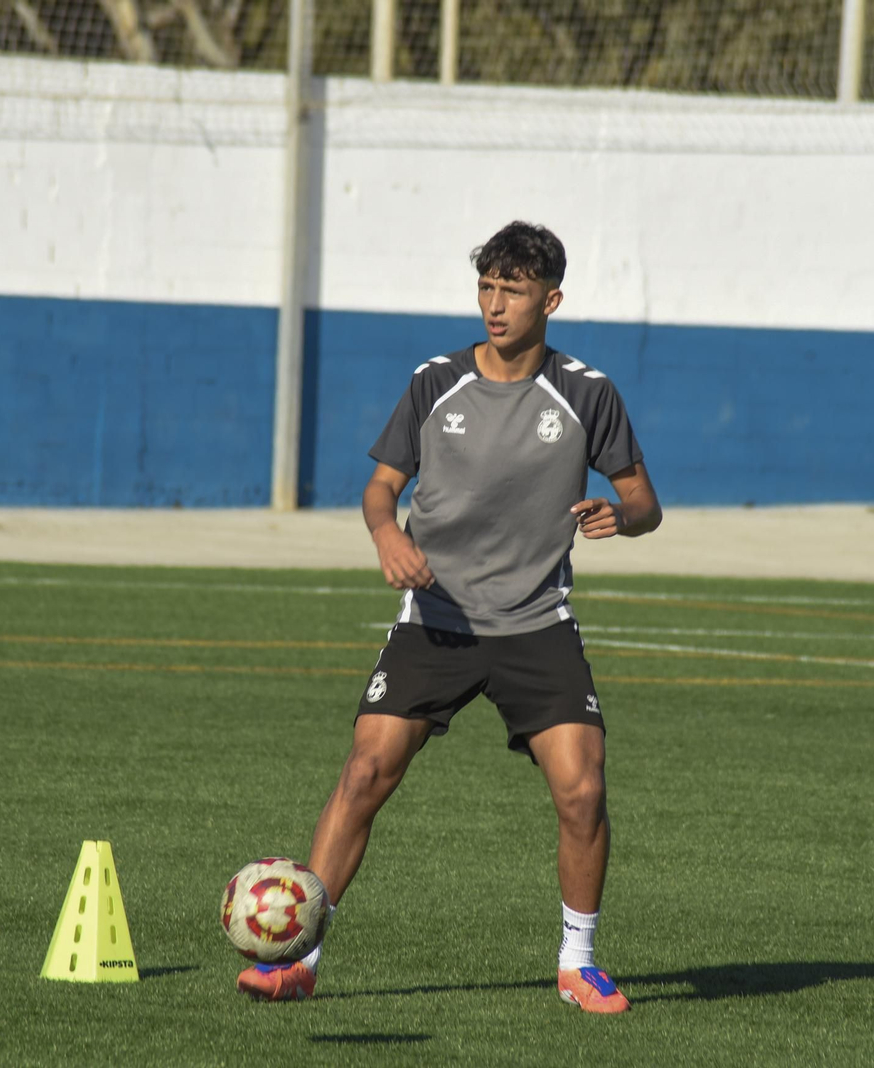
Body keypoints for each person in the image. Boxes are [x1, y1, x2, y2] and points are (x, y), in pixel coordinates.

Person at [238, 221, 662, 1013]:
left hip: (537, 622)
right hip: (434, 619)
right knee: (364, 773)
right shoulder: (435, 383)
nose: (495, 305)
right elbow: (378, 488)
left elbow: (645, 502)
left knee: (583, 791)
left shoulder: (587, 393)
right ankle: (299, 956)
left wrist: (620, 515)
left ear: (551, 300)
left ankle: (578, 964)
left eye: (513, 290)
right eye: (487, 287)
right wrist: (386, 533)